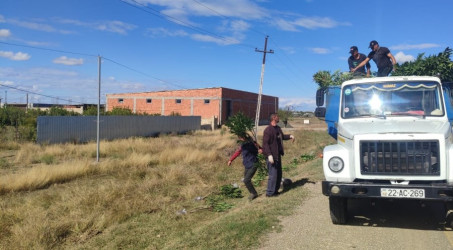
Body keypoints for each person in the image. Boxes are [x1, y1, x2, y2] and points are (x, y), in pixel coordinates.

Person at [262, 113, 295, 197]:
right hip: (271, 156)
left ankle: (275, 191)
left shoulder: (278, 128)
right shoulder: (268, 130)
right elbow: (265, 144)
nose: (279, 118)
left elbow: (282, 137)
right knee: (273, 175)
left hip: (277, 155)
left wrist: (290, 136)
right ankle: (269, 193)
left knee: (278, 174)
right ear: (273, 118)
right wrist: (269, 155)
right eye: (277, 116)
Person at [228, 134, 263, 201]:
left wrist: (261, 151)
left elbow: (260, 149)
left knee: (246, 180)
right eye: (239, 138)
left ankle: (254, 193)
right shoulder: (242, 145)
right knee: (246, 180)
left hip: (254, 163)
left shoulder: (252, 143)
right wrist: (230, 160)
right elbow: (237, 152)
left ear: (244, 137)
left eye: (241, 138)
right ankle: (253, 193)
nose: (240, 139)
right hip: (247, 164)